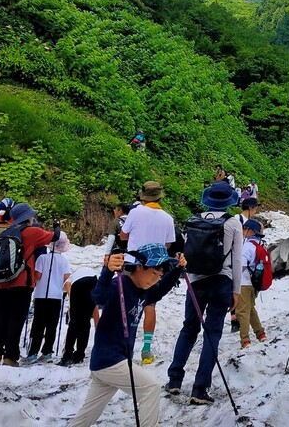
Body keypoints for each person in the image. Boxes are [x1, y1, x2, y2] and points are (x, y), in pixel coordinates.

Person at [69, 244, 186, 427]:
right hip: (110, 360)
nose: (155, 279)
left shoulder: (145, 290)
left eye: (159, 274)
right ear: (139, 266)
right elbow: (99, 297)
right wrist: (107, 271)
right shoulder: (120, 285)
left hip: (111, 361)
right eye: (153, 272)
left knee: (86, 416)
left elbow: (160, 290)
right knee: (151, 388)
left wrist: (177, 270)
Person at [165, 180, 242, 405]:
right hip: (221, 280)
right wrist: (236, 290)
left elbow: (188, 252)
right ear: (229, 201)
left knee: (189, 328)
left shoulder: (195, 220)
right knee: (213, 332)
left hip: (195, 281)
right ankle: (200, 388)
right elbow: (237, 259)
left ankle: (174, 379)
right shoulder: (233, 223)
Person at [0, 203, 60, 367]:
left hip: (0, 284)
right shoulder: (32, 232)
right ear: (28, 217)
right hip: (22, 284)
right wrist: (57, 225)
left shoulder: (5, 232)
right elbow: (54, 237)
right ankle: (10, 357)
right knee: (15, 320)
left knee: (0, 320)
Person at [120, 182, 175, 365]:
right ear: (160, 197)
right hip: (155, 268)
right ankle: (146, 350)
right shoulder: (168, 218)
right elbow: (168, 245)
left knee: (126, 305)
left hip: (134, 265)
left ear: (143, 196)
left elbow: (123, 235)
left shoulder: (135, 212)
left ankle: (124, 346)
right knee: (150, 306)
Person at [25, 232, 72, 364]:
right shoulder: (64, 261)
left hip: (41, 295)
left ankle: (33, 353)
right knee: (52, 325)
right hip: (56, 297)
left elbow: (38, 276)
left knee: (38, 324)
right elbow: (66, 278)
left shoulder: (42, 258)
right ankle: (47, 352)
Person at [59, 266, 99, 366]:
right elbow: (95, 310)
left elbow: (70, 293)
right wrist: (98, 329)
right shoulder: (89, 271)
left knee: (74, 323)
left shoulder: (70, 279)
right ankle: (79, 355)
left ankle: (67, 355)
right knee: (85, 322)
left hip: (80, 284)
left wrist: (72, 312)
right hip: (95, 282)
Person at [236, 219, 267, 348]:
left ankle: (245, 340)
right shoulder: (258, 244)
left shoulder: (247, 246)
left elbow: (241, 265)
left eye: (245, 229)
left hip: (244, 282)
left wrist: (234, 278)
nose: (243, 231)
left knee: (241, 311)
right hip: (254, 282)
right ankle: (260, 334)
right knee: (250, 308)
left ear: (251, 231)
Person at [231, 197, 260, 333]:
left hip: (244, 262)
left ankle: (237, 320)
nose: (256, 211)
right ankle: (235, 320)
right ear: (250, 208)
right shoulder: (238, 220)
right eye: (255, 208)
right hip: (238, 261)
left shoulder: (250, 223)